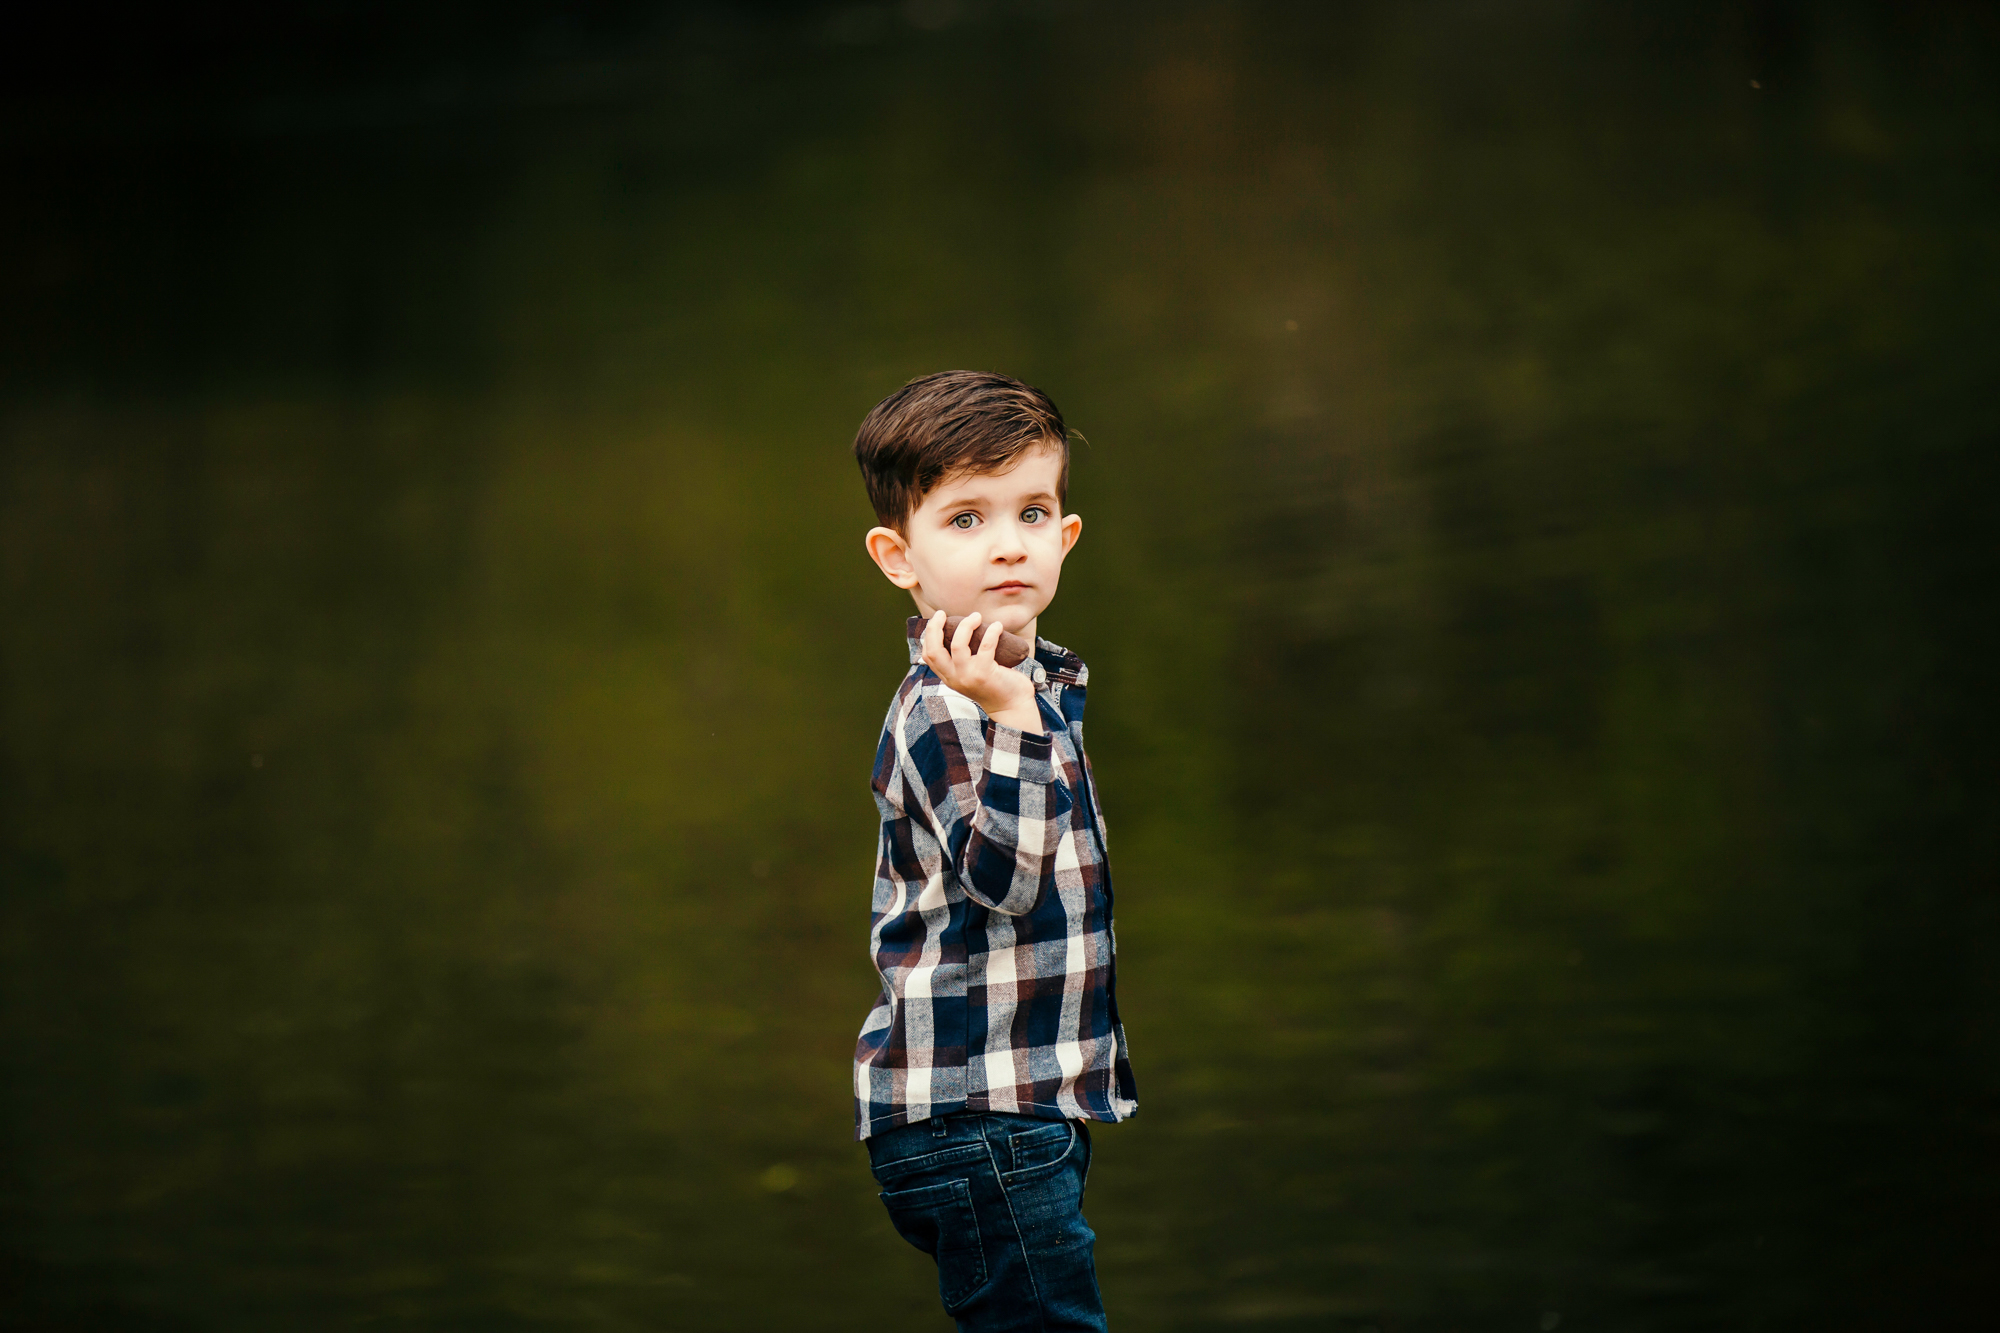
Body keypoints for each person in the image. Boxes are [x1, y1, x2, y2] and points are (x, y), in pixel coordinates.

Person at [850, 370, 1138, 1332]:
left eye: (1031, 510)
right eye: (965, 519)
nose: (1008, 542)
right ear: (900, 556)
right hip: (975, 1117)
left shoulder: (1025, 682)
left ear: (1066, 535)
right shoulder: (954, 703)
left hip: (1016, 1111)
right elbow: (1009, 883)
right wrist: (1015, 718)